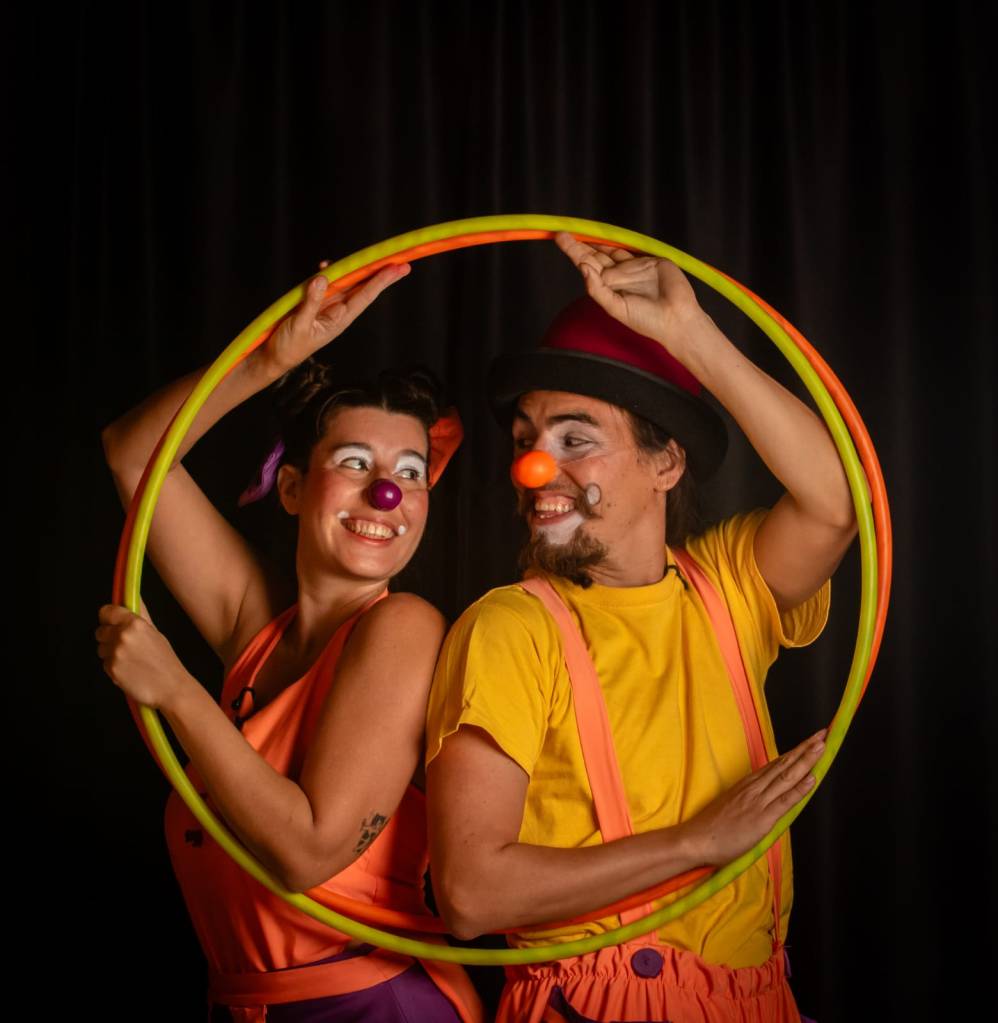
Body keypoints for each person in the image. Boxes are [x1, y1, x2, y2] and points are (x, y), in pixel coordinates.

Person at [425, 234, 857, 1022]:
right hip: (594, 1003)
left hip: (761, 998)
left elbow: (835, 501)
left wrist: (690, 333)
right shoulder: (510, 627)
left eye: (575, 439)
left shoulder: (728, 585)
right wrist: (697, 842)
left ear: (666, 464)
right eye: (525, 440)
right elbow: (470, 892)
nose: (534, 467)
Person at [96, 264, 482, 1023]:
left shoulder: (403, 626)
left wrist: (174, 690)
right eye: (355, 463)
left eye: (410, 473)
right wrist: (268, 360)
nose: (387, 493)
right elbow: (132, 454)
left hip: (371, 1006)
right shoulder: (255, 621)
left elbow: (307, 854)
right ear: (295, 488)